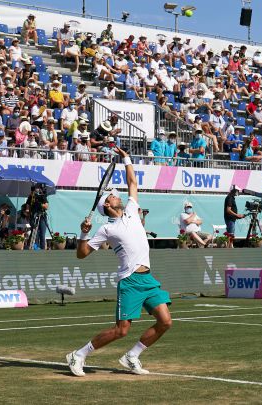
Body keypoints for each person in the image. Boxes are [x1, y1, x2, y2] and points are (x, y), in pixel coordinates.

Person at [67, 147, 172, 377]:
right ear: (107, 204)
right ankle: (78, 354)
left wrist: (126, 159)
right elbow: (81, 254)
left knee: (165, 321)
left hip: (148, 279)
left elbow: (132, 181)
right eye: (114, 195)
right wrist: (84, 234)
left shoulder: (133, 210)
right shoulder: (106, 228)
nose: (119, 195)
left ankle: (131, 356)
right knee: (121, 330)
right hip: (130, 281)